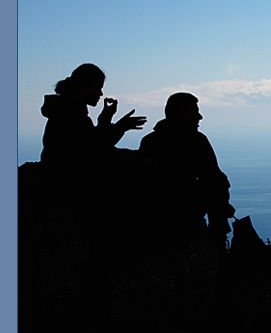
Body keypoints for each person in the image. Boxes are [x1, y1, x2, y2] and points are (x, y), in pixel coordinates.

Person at [139, 92, 235, 252]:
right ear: (182, 113)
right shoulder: (196, 140)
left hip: (156, 214)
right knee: (217, 186)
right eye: (195, 111)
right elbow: (214, 179)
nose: (200, 117)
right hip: (185, 213)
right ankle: (218, 245)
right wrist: (222, 209)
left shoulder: (150, 141)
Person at [40, 63, 146, 169]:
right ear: (82, 86)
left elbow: (93, 141)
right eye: (97, 88)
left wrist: (105, 118)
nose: (100, 93)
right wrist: (121, 126)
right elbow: (95, 149)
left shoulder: (67, 110)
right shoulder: (70, 115)